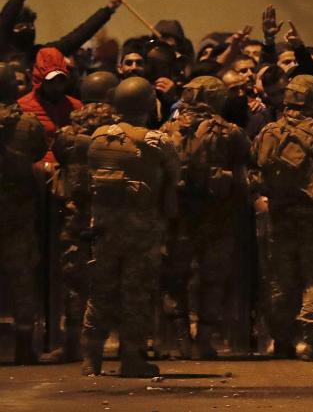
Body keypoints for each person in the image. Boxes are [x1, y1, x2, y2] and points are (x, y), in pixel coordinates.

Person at [81, 77, 180, 377]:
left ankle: (91, 357)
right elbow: (174, 176)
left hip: (105, 228)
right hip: (142, 230)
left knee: (100, 290)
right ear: (149, 104)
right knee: (135, 291)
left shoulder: (98, 137)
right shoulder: (157, 141)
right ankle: (132, 357)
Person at [251, 75, 313, 360]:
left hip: (279, 215)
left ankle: (280, 339)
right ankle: (310, 340)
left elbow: (254, 168)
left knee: (281, 278)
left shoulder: (268, 132)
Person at [160, 75, 250, 360]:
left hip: (178, 217)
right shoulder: (230, 132)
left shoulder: (167, 130)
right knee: (213, 277)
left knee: (175, 277)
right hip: (217, 215)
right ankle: (205, 341)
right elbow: (243, 176)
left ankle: (180, 339)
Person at [43, 72, 118, 364]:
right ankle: (127, 345)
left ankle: (73, 343)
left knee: (75, 281)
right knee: (120, 277)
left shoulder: (69, 133)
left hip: (76, 216)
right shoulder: (119, 128)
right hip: (114, 214)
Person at [0, 62, 49, 364]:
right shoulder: (28, 124)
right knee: (22, 278)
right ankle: (22, 346)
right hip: (17, 211)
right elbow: (38, 152)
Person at [0, 0, 124, 68]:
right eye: (21, 26)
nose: (28, 29)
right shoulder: (2, 50)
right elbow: (5, 20)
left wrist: (109, 8)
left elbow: (77, 36)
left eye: (30, 25)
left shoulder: (40, 55)